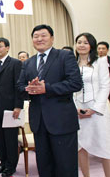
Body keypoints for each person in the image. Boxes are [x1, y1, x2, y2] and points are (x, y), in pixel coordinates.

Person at [17, 24, 83, 177]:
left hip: (62, 122)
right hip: (39, 123)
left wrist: (47, 88)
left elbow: (75, 83)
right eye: (36, 36)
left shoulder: (64, 56)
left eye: (43, 35)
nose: (39, 39)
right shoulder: (28, 63)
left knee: (65, 166)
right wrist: (30, 88)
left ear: (52, 39)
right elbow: (19, 87)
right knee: (44, 166)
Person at [74, 33, 110, 177]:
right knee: (80, 146)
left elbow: (105, 86)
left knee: (104, 146)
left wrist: (94, 109)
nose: (82, 45)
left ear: (92, 46)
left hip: (97, 111)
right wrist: (75, 109)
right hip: (78, 110)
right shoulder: (71, 63)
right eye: (79, 42)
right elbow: (69, 88)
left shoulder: (100, 62)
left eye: (86, 43)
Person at [0, 37, 23, 177]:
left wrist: (18, 106)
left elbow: (19, 87)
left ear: (7, 48)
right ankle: (2, 162)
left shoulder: (15, 63)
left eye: (0, 46)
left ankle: (11, 166)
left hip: (10, 108)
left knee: (10, 139)